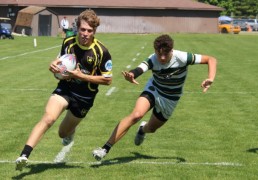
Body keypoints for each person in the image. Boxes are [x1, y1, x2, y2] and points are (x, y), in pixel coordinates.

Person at [92, 34, 217, 161]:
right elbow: (140, 69)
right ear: (155, 51)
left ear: (171, 50)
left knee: (151, 128)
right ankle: (105, 149)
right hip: (154, 89)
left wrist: (210, 78)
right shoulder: (153, 59)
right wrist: (131, 75)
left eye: (166, 54)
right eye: (159, 54)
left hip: (170, 99)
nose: (162, 58)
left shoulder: (182, 57)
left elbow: (211, 59)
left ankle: (142, 130)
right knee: (136, 115)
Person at [15, 9, 113, 171]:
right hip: (65, 88)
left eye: (89, 31)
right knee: (48, 118)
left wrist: (81, 76)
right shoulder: (68, 42)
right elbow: (61, 62)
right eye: (83, 29)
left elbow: (107, 80)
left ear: (94, 31)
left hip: (84, 98)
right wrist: (53, 66)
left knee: (63, 133)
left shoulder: (102, 51)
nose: (85, 34)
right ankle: (24, 155)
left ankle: (70, 133)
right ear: (77, 28)